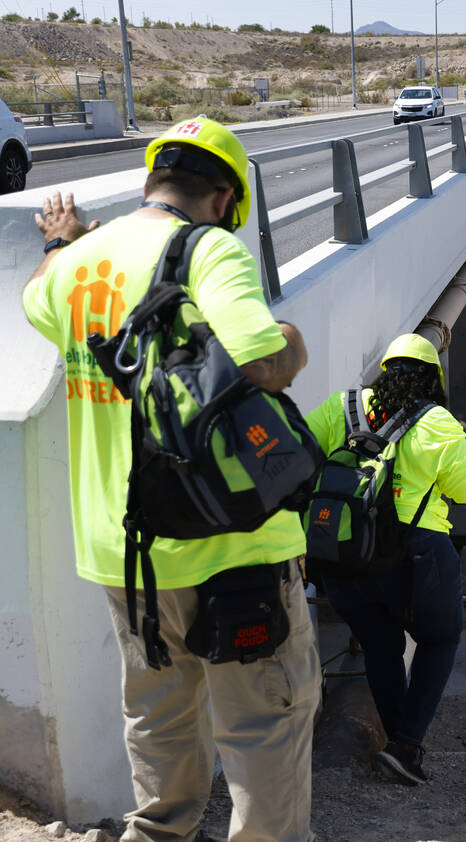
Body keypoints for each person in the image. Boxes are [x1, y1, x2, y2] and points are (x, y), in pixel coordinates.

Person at [22, 118, 321, 842]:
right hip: (232, 548)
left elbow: (37, 297)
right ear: (223, 198)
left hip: (123, 553)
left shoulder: (77, 262)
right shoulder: (208, 248)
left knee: (159, 722)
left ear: (153, 180)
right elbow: (258, 358)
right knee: (263, 728)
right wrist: (293, 342)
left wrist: (62, 241)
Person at [305, 333, 466, 786]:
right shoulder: (438, 422)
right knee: (440, 640)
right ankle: (406, 744)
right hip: (418, 554)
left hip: (344, 557)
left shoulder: (339, 408)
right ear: (433, 379)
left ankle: (398, 741)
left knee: (381, 646)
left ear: (383, 371)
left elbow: (299, 461)